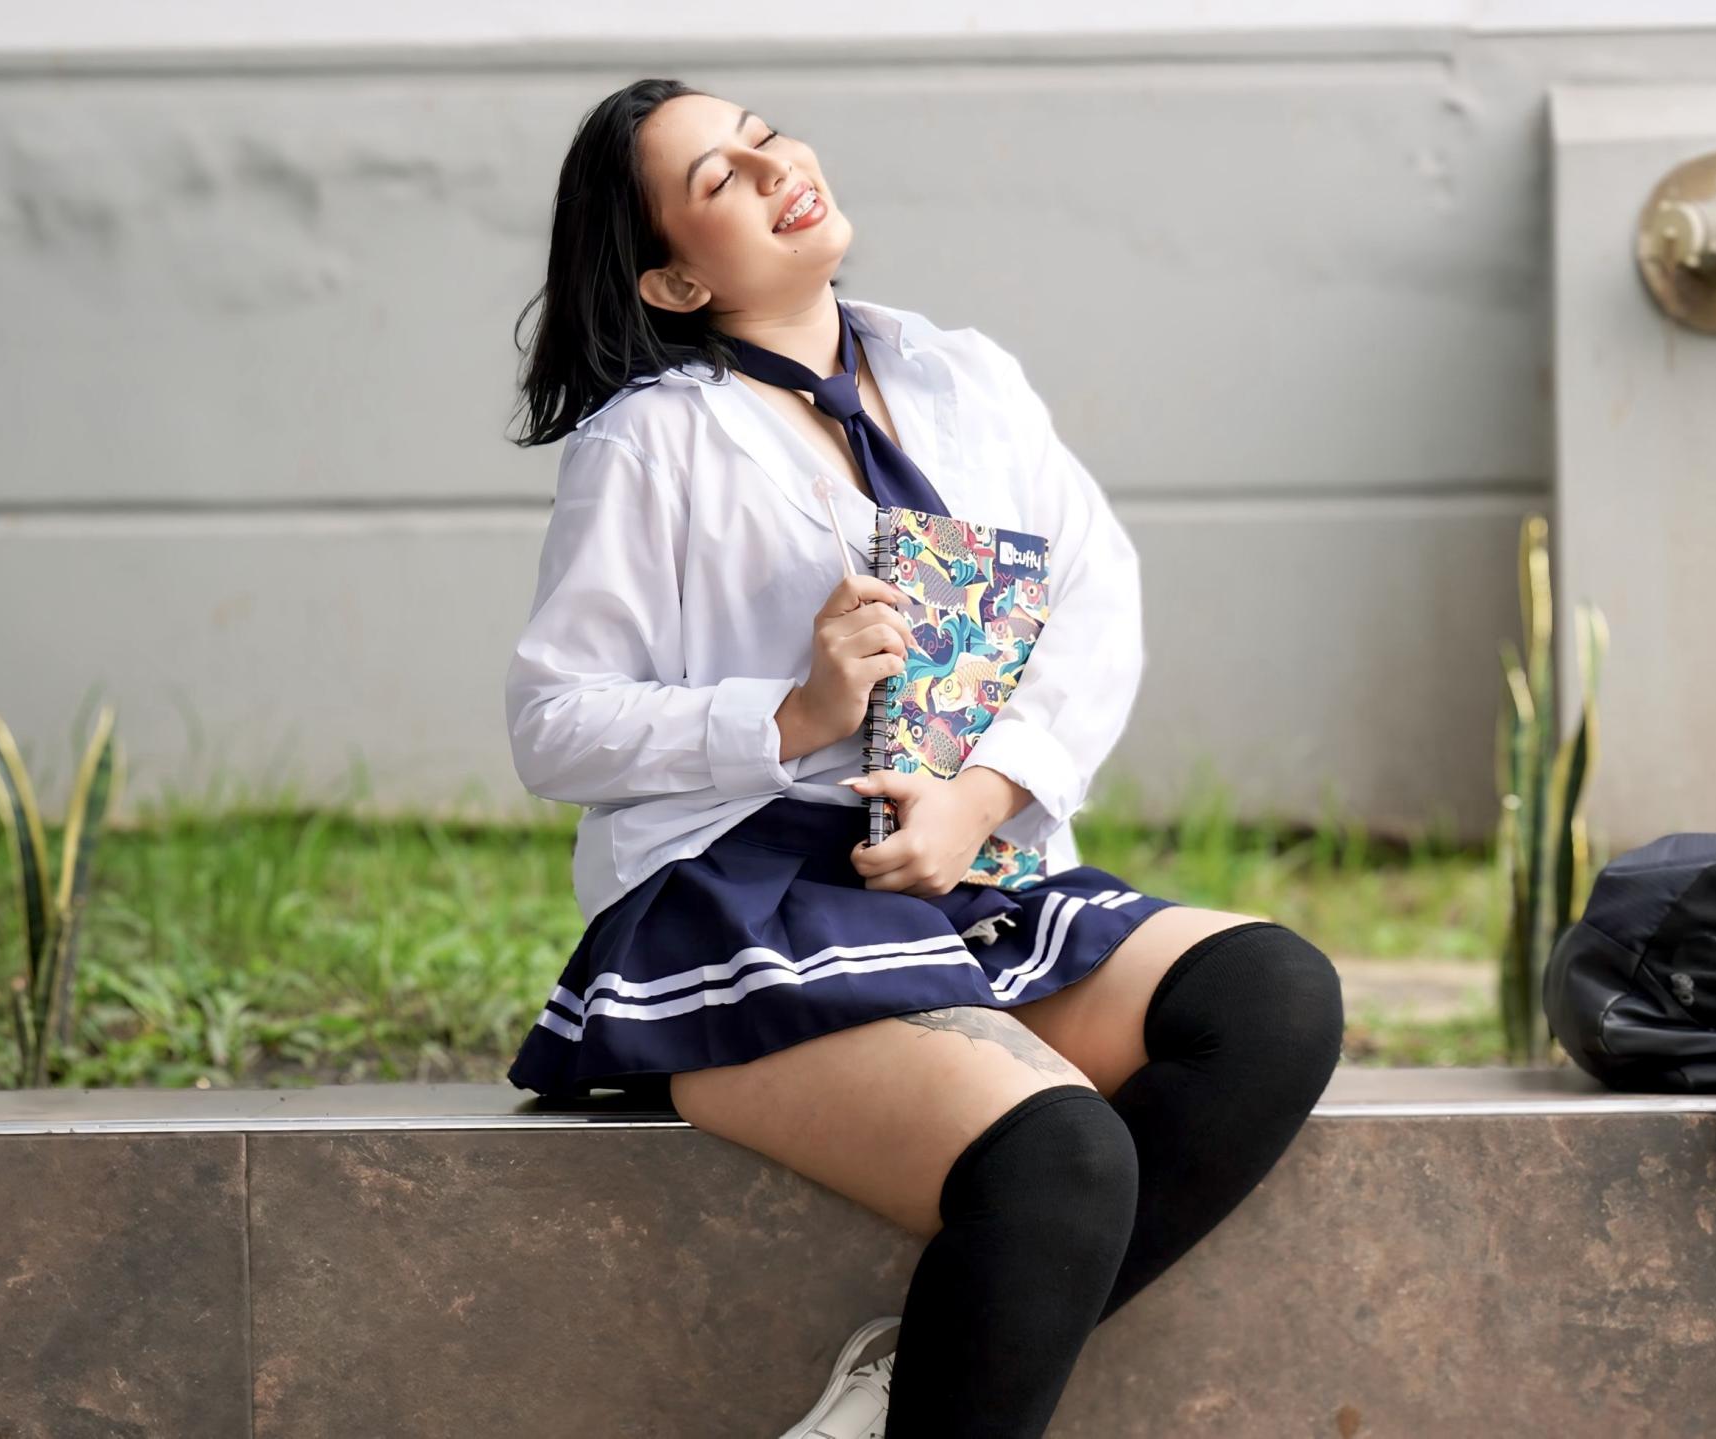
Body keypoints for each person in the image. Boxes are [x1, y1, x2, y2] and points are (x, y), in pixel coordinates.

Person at [501, 77, 1346, 1439]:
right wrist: (793, 712)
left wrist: (984, 794)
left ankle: (922, 1374)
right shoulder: (651, 442)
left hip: (959, 864)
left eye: (763, 137)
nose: (772, 168)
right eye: (718, 180)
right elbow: (554, 723)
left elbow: (1093, 597)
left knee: (1270, 999)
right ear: (672, 280)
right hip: (753, 900)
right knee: (1060, 1162)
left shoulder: (966, 378)